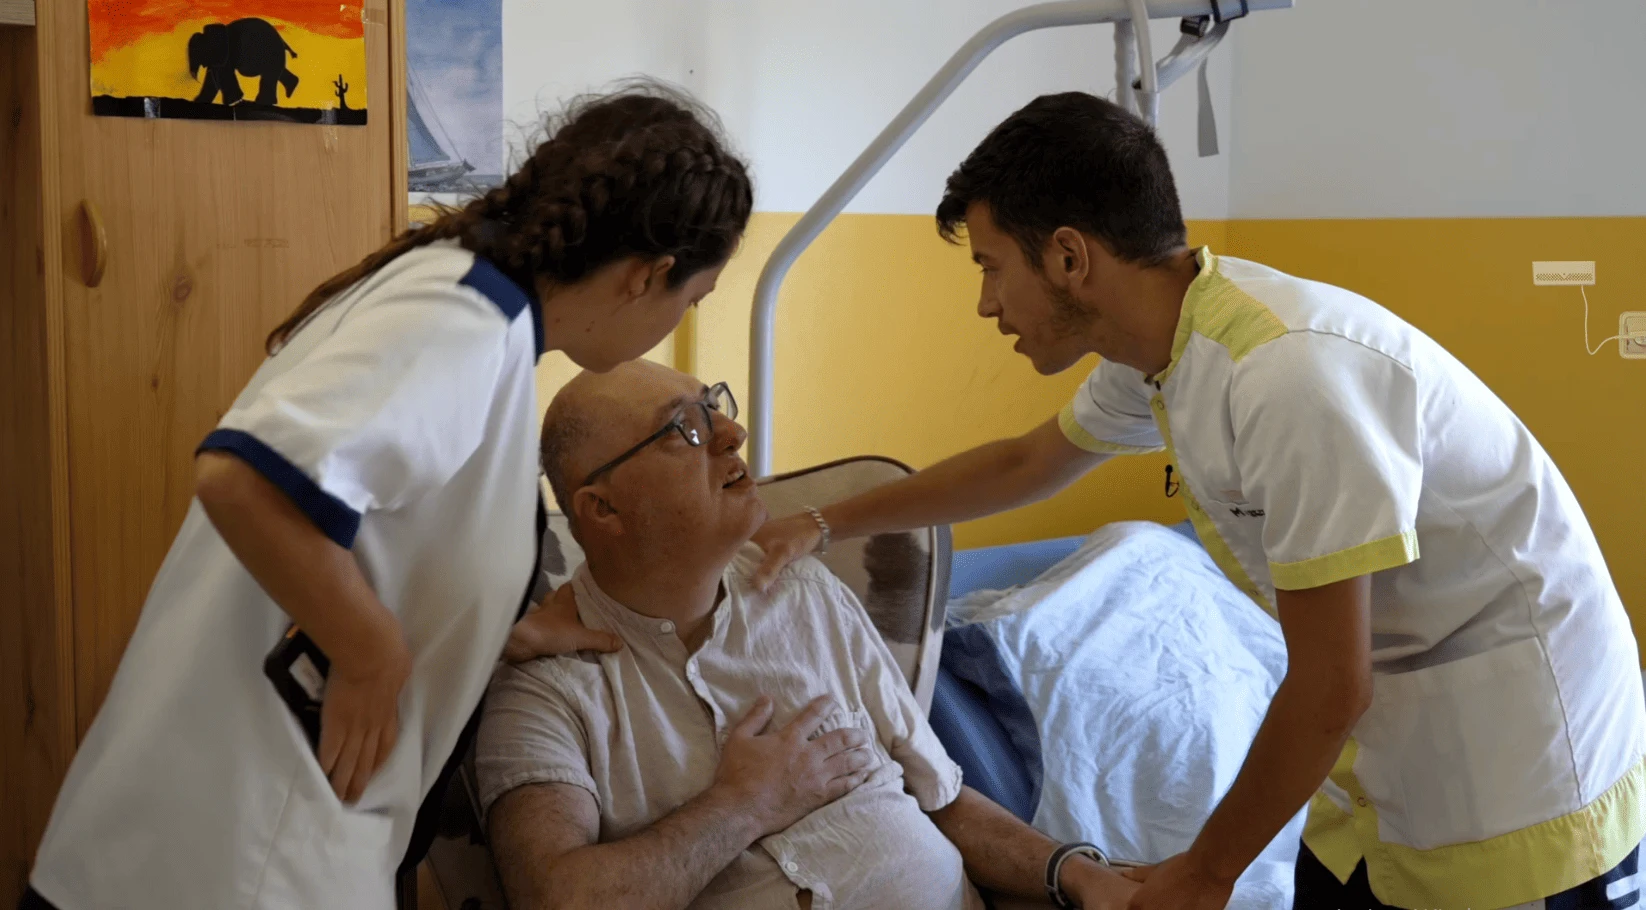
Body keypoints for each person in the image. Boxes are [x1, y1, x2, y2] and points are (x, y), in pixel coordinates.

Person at [750, 91, 1645, 910]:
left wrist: (1206, 873)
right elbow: (1025, 463)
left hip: (1517, 749)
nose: (987, 304)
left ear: (1068, 256)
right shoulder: (1160, 352)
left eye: (990, 267)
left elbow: (1330, 682)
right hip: (1383, 758)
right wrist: (827, 517)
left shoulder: (1288, 378)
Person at [22, 84, 752, 910]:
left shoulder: (468, 304)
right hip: (245, 850)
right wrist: (374, 652)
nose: (677, 322)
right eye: (690, 300)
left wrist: (484, 632)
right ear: (648, 275)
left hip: (213, 831)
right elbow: (247, 479)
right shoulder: (464, 325)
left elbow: (384, 527)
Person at [484, 360, 1140, 909]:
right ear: (603, 508)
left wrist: (1075, 872)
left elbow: (940, 800)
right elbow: (556, 898)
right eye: (684, 429)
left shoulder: (803, 590)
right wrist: (741, 807)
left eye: (713, 407)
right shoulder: (548, 683)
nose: (731, 434)